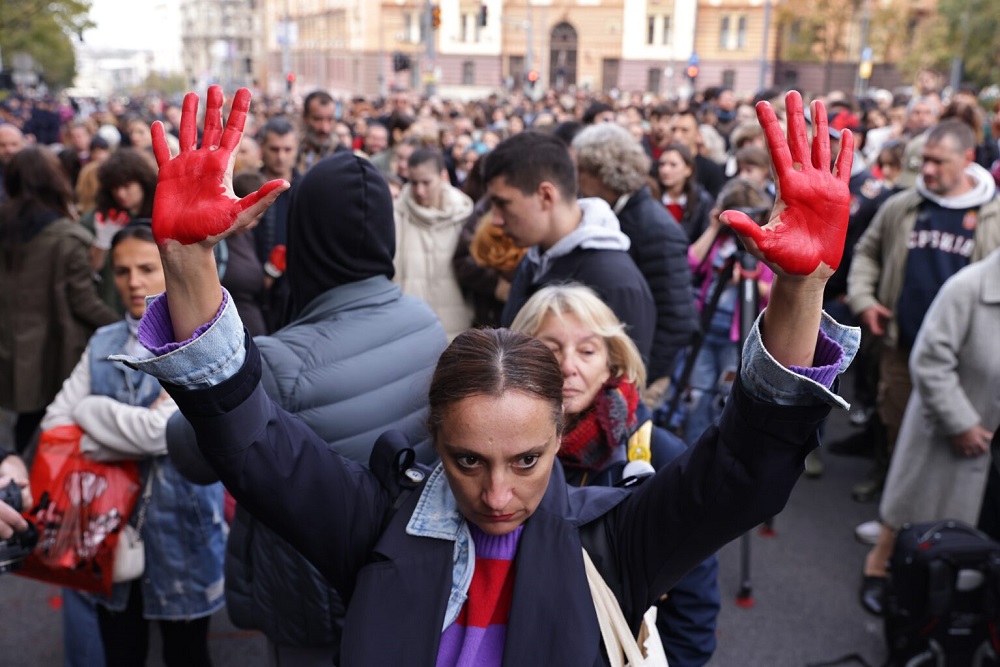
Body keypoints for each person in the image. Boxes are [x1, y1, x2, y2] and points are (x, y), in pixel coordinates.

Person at [121, 86, 858, 666]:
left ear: (560, 430)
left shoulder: (610, 540)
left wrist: (800, 288)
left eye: (527, 460)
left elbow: (748, 469)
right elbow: (243, 431)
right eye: (469, 460)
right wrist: (187, 260)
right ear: (433, 435)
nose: (498, 495)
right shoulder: (374, 523)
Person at [166, 150, 448, 666]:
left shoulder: (282, 364)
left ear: (303, 241)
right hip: (403, 574)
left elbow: (188, 451)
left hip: (311, 597)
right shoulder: (425, 320)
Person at [41, 223, 226, 667]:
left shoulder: (198, 341)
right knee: (122, 650)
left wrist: (90, 416)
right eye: (122, 271)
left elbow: (162, 433)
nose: (133, 282)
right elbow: (53, 424)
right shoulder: (103, 340)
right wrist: (129, 430)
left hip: (184, 526)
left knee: (187, 654)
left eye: (147, 268)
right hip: (108, 529)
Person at [509, 284, 720, 667]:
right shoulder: (502, 450)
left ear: (612, 362)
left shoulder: (660, 455)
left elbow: (694, 604)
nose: (568, 366)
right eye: (550, 350)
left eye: (587, 351)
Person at [848, 119, 1000, 614]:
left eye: (939, 162)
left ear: (968, 158)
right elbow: (867, 251)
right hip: (903, 347)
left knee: (953, 465)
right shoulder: (904, 204)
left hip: (972, 368)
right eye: (924, 160)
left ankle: (929, 548)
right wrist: (866, 298)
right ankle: (896, 536)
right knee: (904, 439)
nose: (926, 170)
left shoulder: (992, 215)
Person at [861, 246, 1000, 616]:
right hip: (947, 433)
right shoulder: (967, 288)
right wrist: (961, 423)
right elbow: (929, 360)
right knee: (912, 518)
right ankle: (882, 573)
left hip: (990, 453)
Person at [485, 131, 657, 363]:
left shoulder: (614, 279)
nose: (496, 219)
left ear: (546, 195)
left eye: (503, 204)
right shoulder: (535, 258)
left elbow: (624, 385)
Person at [0, 147, 118, 453]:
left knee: (22, 426)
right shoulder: (67, 237)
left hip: (11, 341)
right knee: (48, 429)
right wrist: (124, 327)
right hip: (55, 347)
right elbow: (84, 301)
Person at [571, 123, 697, 397]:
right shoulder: (610, 214)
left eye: (581, 171)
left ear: (604, 173)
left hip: (634, 379)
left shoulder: (655, 228)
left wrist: (636, 380)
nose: (576, 180)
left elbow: (677, 319)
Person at [683, 179, 775, 446]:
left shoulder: (763, 244)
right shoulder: (719, 239)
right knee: (697, 397)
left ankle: (719, 456)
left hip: (737, 335)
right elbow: (690, 263)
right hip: (707, 326)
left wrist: (748, 279)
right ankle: (691, 455)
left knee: (725, 398)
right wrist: (713, 228)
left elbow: (774, 290)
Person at [393, 147, 475, 339]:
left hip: (458, 326)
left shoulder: (464, 215)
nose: (419, 191)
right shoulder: (395, 215)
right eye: (413, 183)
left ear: (443, 176)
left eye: (426, 182)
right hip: (409, 328)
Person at [657, 142, 714, 243]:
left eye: (673, 165)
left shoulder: (701, 201)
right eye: (662, 164)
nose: (665, 170)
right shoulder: (653, 197)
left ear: (688, 169)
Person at [296, 90, 340, 173]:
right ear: (304, 118)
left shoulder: (343, 158)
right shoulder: (292, 152)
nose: (324, 128)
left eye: (329, 119)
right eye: (317, 119)